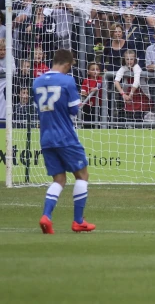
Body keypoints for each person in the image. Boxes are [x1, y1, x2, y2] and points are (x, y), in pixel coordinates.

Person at [35, 49, 95, 235]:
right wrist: (81, 99)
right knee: (82, 175)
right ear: (68, 64)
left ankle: (46, 216)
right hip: (65, 136)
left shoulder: (36, 82)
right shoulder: (67, 81)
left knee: (59, 179)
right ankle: (78, 221)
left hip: (46, 137)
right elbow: (74, 111)